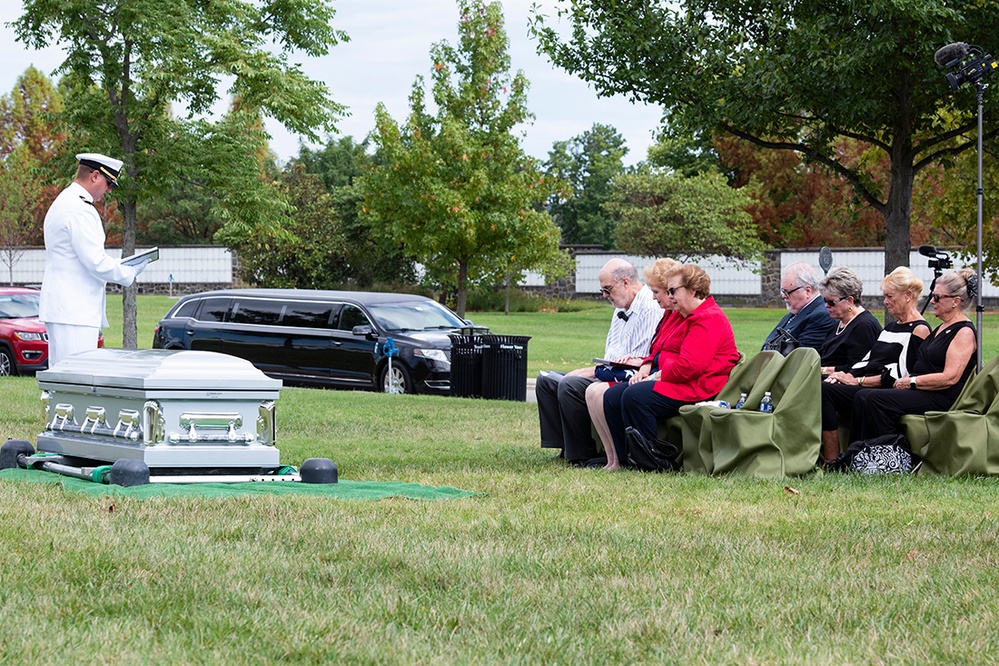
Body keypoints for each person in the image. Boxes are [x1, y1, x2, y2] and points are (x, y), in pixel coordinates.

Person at [602, 264, 741, 468]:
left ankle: (651, 461)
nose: (670, 296)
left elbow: (689, 367)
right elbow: (658, 347)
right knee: (613, 396)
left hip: (698, 387)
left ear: (692, 290)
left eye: (673, 291)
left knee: (635, 396)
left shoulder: (709, 318)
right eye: (668, 291)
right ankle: (625, 459)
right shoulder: (682, 314)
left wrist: (654, 377)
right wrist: (649, 369)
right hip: (678, 380)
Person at [536, 258, 663, 464]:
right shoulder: (620, 309)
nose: (604, 295)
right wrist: (594, 369)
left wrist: (593, 372)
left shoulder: (650, 307)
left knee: (570, 384)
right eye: (602, 290)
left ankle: (582, 454)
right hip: (608, 370)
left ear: (625, 282)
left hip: (626, 377)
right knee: (547, 381)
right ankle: (563, 447)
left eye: (607, 289)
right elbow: (612, 354)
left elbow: (635, 361)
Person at [39, 153, 148, 367]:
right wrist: (129, 272)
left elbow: (80, 256)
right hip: (74, 309)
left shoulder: (65, 200)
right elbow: (95, 261)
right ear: (95, 176)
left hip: (66, 308)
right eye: (109, 183)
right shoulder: (79, 208)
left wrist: (118, 264)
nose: (109, 190)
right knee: (74, 378)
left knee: (63, 378)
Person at [849, 268, 978, 443]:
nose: (932, 301)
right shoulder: (942, 327)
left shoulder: (964, 331)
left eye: (937, 297)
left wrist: (912, 381)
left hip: (942, 396)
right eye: (933, 296)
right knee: (862, 395)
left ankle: (888, 454)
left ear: (956, 301)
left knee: (876, 399)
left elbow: (950, 378)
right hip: (925, 390)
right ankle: (857, 453)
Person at [819, 267, 931, 462]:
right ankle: (847, 457)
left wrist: (857, 381)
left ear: (908, 296)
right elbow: (867, 360)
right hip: (867, 382)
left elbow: (899, 374)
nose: (885, 302)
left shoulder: (919, 329)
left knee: (829, 390)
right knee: (828, 384)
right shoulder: (891, 327)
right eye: (884, 296)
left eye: (889, 296)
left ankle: (841, 458)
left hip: (885, 388)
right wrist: (844, 375)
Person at [585, 258, 680, 470]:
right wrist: (646, 365)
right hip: (661, 375)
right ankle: (617, 458)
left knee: (630, 394)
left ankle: (645, 460)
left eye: (657, 292)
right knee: (606, 392)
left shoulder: (699, 317)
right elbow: (656, 351)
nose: (653, 297)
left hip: (686, 385)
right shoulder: (671, 317)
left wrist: (651, 374)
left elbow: (689, 364)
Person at [816, 266, 883, 376]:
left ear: (849, 300)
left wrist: (822, 370)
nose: (826, 305)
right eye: (825, 300)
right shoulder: (839, 324)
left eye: (831, 302)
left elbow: (857, 367)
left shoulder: (864, 327)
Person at [762, 262, 836, 352]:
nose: (783, 296)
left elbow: (800, 358)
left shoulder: (821, 316)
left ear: (807, 291)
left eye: (787, 292)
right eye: (783, 291)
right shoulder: (797, 311)